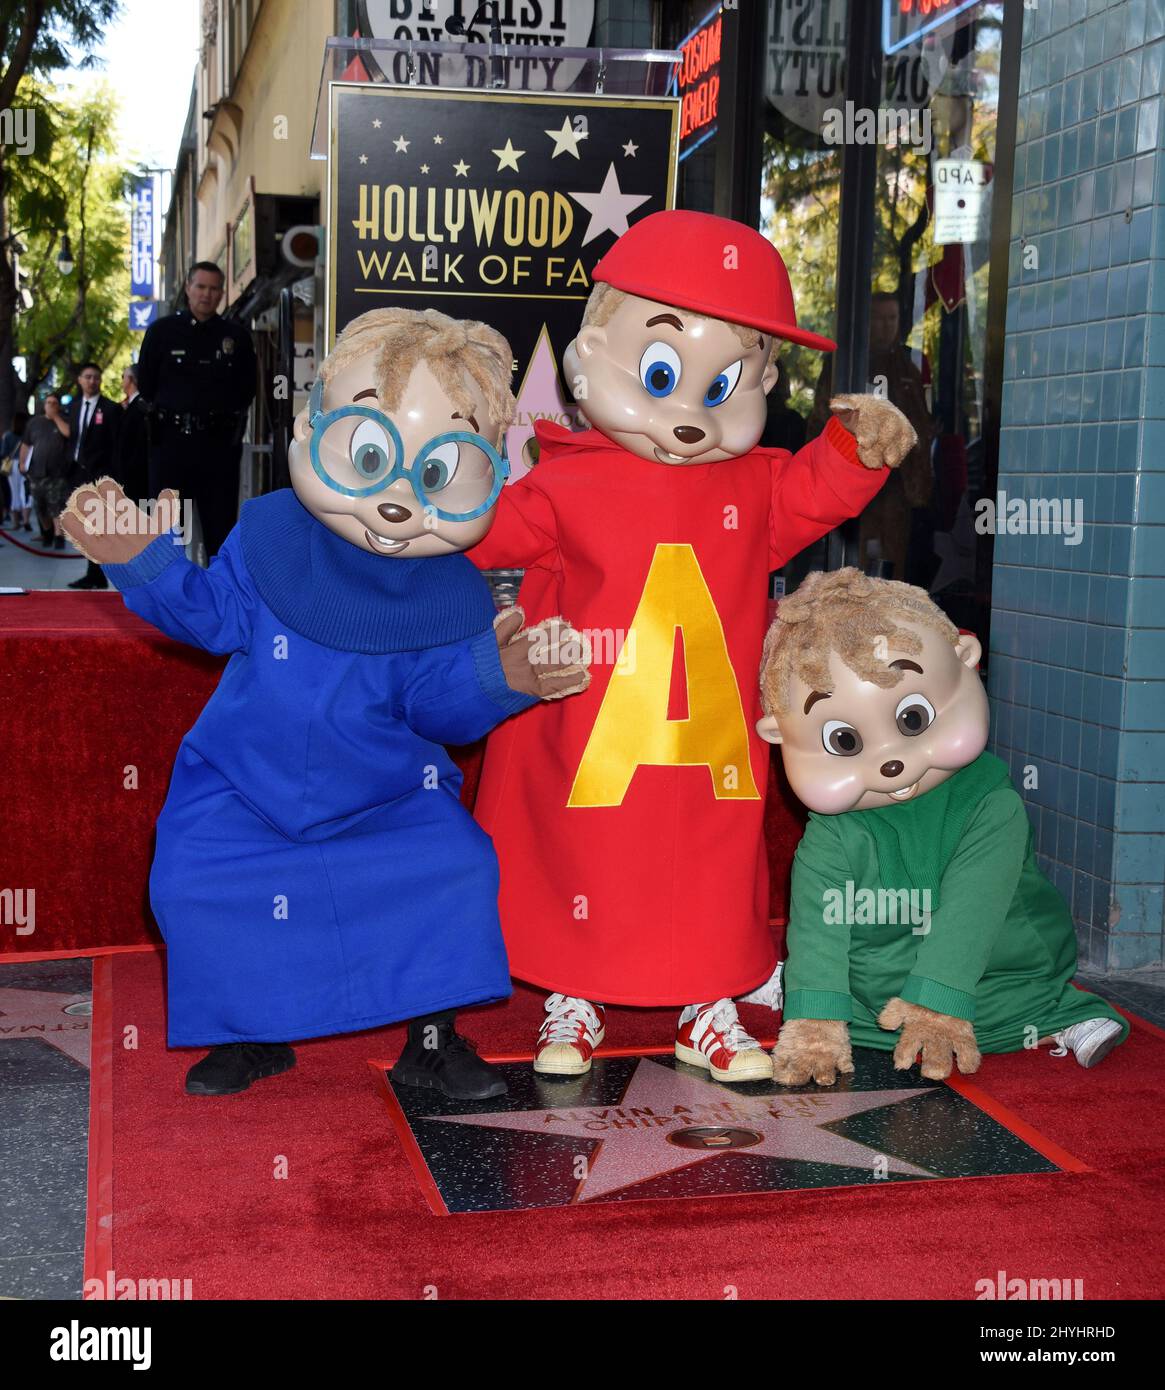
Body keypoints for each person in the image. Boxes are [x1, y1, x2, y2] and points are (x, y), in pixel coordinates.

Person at [60, 308, 591, 1100]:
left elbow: (436, 712)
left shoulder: (453, 591)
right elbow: (210, 613)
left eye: (440, 470)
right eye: (373, 455)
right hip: (242, 783)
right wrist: (141, 559)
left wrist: (497, 675)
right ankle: (251, 1032)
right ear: (318, 428)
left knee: (454, 866)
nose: (399, 500)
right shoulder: (271, 534)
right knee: (195, 875)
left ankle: (434, 1037)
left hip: (386, 796)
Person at [468, 210, 917, 1083]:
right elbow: (478, 533)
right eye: (663, 371)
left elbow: (811, 492)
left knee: (708, 871)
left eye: (721, 385)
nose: (683, 416)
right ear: (594, 351)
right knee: (582, 854)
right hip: (592, 732)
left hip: (709, 744)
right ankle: (576, 994)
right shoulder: (564, 480)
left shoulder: (752, 485)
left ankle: (705, 1005)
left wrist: (856, 449)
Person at [757, 568, 1127, 1082]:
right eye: (846, 741)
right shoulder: (833, 829)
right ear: (781, 737)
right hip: (879, 979)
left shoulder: (989, 807)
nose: (891, 762)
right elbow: (820, 923)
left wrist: (936, 1004)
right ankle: (802, 993)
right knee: (849, 1005)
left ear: (967, 664)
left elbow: (971, 915)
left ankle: (1061, 1015)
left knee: (1004, 1006)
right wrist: (815, 1015)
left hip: (995, 963)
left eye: (911, 720)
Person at [136, 261, 257, 560]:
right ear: (188, 288)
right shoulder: (161, 332)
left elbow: (247, 389)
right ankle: (165, 599)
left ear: (221, 294)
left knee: (220, 529)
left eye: (214, 288)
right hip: (170, 443)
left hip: (217, 447)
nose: (206, 294)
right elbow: (147, 385)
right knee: (165, 531)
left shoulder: (236, 337)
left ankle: (219, 597)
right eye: (200, 286)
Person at [64, 363, 121, 589]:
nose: (92, 381)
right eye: (88, 377)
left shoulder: (111, 409)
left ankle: (98, 572)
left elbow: (116, 445)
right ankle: (93, 572)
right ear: (79, 380)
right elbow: (74, 439)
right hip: (77, 474)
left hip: (100, 475)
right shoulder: (75, 407)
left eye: (96, 377)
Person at [20, 393, 73, 549]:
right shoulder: (34, 423)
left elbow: (68, 434)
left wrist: (56, 417)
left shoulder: (64, 420)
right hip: (36, 472)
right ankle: (48, 532)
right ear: (44, 405)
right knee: (40, 506)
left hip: (57, 473)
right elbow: (25, 444)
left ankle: (59, 536)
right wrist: (22, 463)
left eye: (54, 403)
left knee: (57, 506)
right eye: (48, 402)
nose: (51, 405)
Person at [117, 364, 150, 504]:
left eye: (123, 377)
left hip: (137, 476)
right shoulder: (131, 405)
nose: (122, 381)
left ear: (130, 379)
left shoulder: (140, 406)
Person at [1, 412, 29, 531]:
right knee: (26, 493)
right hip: (25, 464)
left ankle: (16, 522)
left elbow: (3, 453)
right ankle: (26, 519)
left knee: (14, 493)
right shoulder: (27, 435)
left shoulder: (8, 435)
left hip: (12, 465)